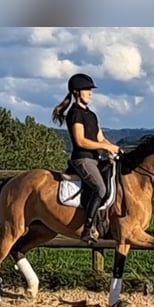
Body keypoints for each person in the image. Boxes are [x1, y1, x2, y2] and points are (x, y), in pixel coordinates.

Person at [52, 73, 121, 243]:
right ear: (77, 92)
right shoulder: (75, 113)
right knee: (100, 189)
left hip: (95, 159)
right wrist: (105, 147)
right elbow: (80, 141)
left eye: (90, 90)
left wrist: (114, 148)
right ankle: (88, 228)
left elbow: (100, 138)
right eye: (86, 90)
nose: (90, 93)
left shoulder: (91, 115)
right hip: (82, 159)